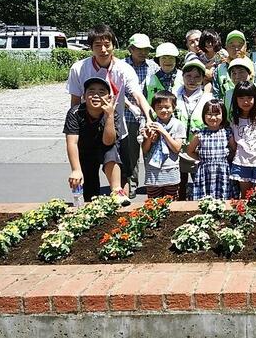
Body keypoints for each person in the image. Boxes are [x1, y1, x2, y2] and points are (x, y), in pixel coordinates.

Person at [66, 24, 153, 204]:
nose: (103, 49)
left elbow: (137, 95)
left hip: (115, 125)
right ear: (91, 47)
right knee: (89, 177)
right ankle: (90, 210)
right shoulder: (78, 68)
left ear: (114, 45)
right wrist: (74, 127)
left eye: (107, 44)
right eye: (98, 45)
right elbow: (75, 101)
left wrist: (149, 117)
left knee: (122, 175)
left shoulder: (123, 69)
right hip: (88, 129)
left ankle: (123, 211)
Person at [64, 77, 128, 204]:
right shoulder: (75, 112)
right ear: (84, 96)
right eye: (91, 91)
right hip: (85, 151)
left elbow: (108, 142)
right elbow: (72, 142)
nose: (96, 95)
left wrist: (109, 115)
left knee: (111, 151)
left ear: (109, 98)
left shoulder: (113, 114)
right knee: (90, 192)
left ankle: (116, 190)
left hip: (104, 148)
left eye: (101, 92)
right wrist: (76, 170)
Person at [121, 33, 159, 198]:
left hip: (149, 116)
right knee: (130, 153)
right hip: (128, 116)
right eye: (139, 49)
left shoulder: (153, 67)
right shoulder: (121, 66)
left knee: (151, 150)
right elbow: (116, 91)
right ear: (130, 49)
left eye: (146, 49)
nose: (143, 52)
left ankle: (153, 184)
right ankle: (132, 185)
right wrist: (130, 106)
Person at [174, 59, 214, 200]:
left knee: (201, 185)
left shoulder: (208, 98)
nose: (192, 80)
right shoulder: (173, 97)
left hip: (198, 150)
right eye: (188, 76)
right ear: (182, 76)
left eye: (197, 77)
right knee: (179, 186)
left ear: (203, 79)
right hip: (177, 149)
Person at [141, 90, 186, 200]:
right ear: (154, 108)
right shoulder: (149, 124)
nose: (163, 110)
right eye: (159, 107)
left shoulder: (178, 125)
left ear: (173, 107)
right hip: (153, 172)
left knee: (171, 203)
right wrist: (149, 139)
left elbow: (176, 148)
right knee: (153, 204)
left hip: (171, 171)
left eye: (167, 107)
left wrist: (163, 132)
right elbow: (145, 150)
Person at [186, 99, 234, 200]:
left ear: (223, 115)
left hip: (223, 171)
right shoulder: (200, 133)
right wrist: (202, 158)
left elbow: (234, 149)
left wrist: (226, 159)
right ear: (204, 115)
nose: (213, 117)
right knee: (204, 200)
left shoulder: (227, 132)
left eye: (217, 114)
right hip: (205, 171)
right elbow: (190, 151)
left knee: (224, 198)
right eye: (209, 114)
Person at [212, 30, 248, 101]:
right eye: (232, 46)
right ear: (226, 48)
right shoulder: (218, 70)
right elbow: (216, 96)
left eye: (240, 45)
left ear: (245, 47)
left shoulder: (254, 67)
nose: (236, 49)